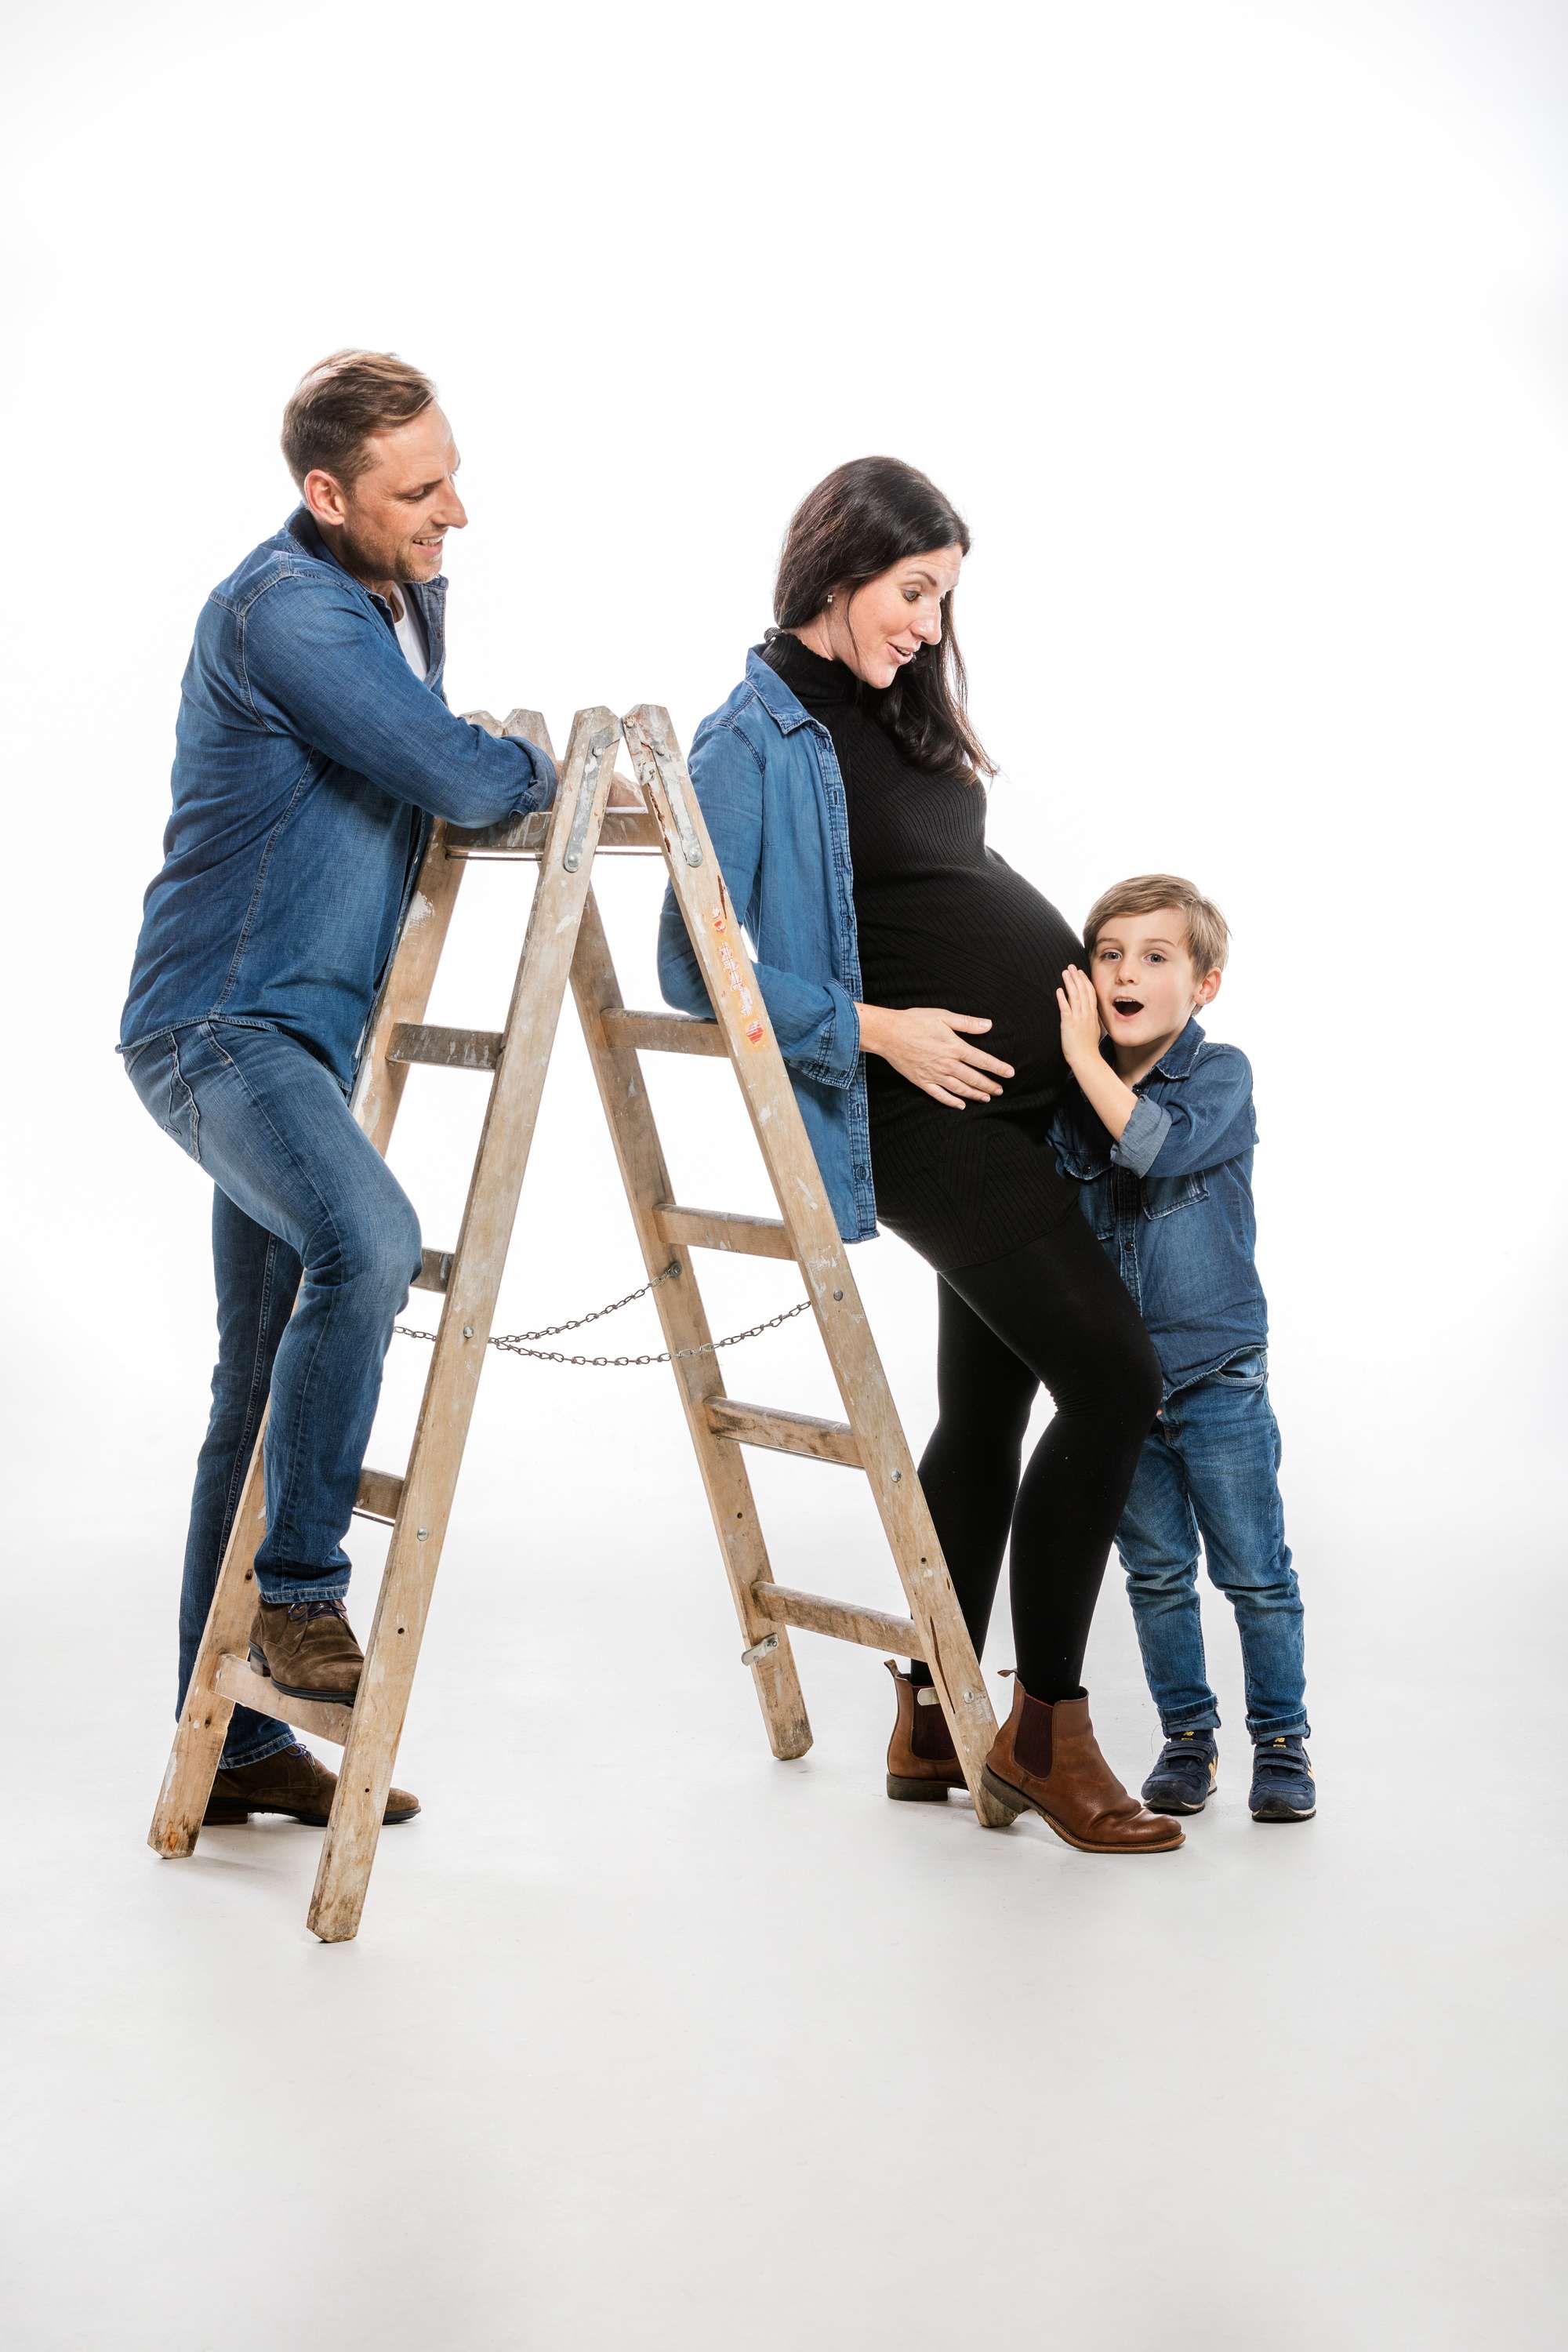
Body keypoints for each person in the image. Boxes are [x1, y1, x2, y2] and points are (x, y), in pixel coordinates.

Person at [658, 457, 1179, 1855]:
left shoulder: (902, 711)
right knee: (1119, 1380)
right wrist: (879, 1029)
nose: (928, 626)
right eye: (912, 592)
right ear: (838, 567)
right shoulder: (749, 740)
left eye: (944, 599)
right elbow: (694, 968)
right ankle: (1045, 1729)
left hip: (1023, 1108)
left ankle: (927, 1715)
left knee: (989, 1414)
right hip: (918, 1119)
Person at [118, 350, 561, 1831]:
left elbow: (429, 746)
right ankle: (304, 1599)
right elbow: (463, 780)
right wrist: (518, 757)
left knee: (256, 1384)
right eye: (419, 490)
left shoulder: (388, 588)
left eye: (450, 471)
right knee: (368, 1244)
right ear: (326, 496)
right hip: (219, 1024)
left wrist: (469, 744)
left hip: (298, 1040)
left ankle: (234, 1752)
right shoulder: (292, 609)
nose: (456, 513)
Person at [1050, 876, 1314, 1822]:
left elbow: (1153, 1149)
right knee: (1156, 1572)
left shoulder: (1220, 1073)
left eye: (1155, 957)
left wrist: (1082, 1057)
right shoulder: (1067, 1088)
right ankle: (1186, 1739)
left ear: (1202, 984)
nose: (1126, 972)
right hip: (1117, 1386)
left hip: (1214, 1374)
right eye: (1109, 954)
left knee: (1251, 1570)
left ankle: (1280, 1743)